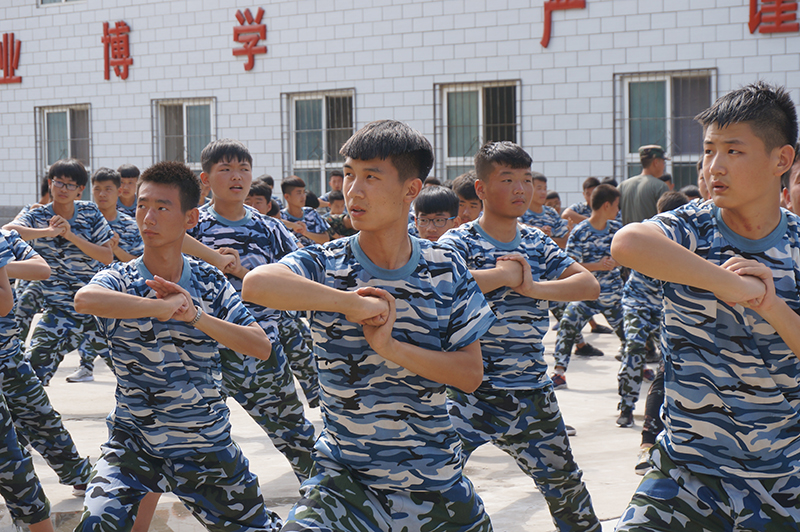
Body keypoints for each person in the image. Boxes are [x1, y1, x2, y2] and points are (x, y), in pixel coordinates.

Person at [242, 119, 496, 532]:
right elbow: (257, 284)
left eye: (371, 177)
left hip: (432, 479)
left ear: (411, 190)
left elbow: (470, 375)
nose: (353, 190)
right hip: (345, 482)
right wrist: (350, 304)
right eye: (349, 174)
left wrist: (391, 348)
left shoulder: (445, 268)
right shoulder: (327, 262)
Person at [612, 82, 800, 531]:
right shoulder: (691, 228)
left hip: (781, 474)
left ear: (781, 160)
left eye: (733, 151)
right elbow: (627, 243)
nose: (715, 166)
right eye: (709, 150)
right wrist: (730, 284)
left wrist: (770, 305)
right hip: (686, 468)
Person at [72, 160, 283, 532]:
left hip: (205, 444)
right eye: (142, 205)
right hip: (134, 443)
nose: (148, 217)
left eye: (162, 207)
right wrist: (160, 307)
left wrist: (194, 315)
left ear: (190, 219)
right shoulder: (120, 278)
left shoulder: (208, 281)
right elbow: (85, 300)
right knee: (98, 522)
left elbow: (260, 346)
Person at [439, 141, 601, 532]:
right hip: (471, 393)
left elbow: (588, 285)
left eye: (526, 179)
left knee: (567, 489)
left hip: (531, 392)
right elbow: (438, 286)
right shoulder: (458, 243)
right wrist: (502, 277)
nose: (520, 189)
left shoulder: (536, 242)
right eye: (507, 179)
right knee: (432, 483)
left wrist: (532, 287)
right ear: (480, 189)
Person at [188, 139, 317, 481]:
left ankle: (327, 500)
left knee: (297, 437)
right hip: (203, 353)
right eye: (226, 169)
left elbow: (296, 281)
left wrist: (244, 272)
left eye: (244, 169)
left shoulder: (270, 229)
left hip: (261, 350)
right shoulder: (192, 226)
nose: (237, 176)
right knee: (190, 440)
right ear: (206, 179)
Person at [4, 159, 114, 386]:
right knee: (30, 374)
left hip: (96, 307)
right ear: (50, 183)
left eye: (70, 185)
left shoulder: (90, 212)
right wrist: (48, 231)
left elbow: (106, 256)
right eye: (58, 183)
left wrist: (70, 235)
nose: (63, 189)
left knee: (131, 369)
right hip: (59, 309)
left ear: (80, 190)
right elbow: (7, 231)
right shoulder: (36, 214)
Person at [616, 191, 689, 429]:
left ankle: (670, 412)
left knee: (672, 356)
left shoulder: (687, 235)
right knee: (634, 347)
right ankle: (626, 406)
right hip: (637, 300)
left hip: (664, 304)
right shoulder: (645, 231)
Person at [65, 167, 145, 383]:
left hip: (118, 291)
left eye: (108, 189)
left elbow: (138, 261)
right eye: (97, 189)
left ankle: (133, 376)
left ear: (118, 191)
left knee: (117, 338)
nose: (101, 194)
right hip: (81, 289)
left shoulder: (130, 224)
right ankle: (87, 366)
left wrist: (116, 249)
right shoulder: (81, 219)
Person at [0, 233, 56, 532]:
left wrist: (4, 265)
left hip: (8, 355)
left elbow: (4, 303)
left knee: (12, 463)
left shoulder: (5, 238)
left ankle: (78, 475)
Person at [552, 184, 625, 389]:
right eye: (616, 205)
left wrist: (616, 262)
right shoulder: (580, 232)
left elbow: (628, 257)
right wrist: (598, 266)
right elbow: (570, 265)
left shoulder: (617, 231)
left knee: (632, 336)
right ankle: (559, 373)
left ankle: (638, 368)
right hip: (585, 296)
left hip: (613, 296)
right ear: (606, 205)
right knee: (567, 326)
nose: (618, 210)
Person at [618, 145, 670, 225]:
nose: (664, 166)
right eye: (663, 162)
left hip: (627, 232)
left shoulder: (623, 186)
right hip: (650, 232)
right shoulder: (660, 186)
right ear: (656, 162)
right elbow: (667, 219)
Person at [519, 172, 570, 248]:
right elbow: (516, 229)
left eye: (545, 188)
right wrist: (538, 231)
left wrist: (545, 238)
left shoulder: (551, 212)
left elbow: (565, 242)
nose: (543, 192)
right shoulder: (520, 212)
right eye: (539, 188)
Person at [280, 176, 330, 246]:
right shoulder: (281, 216)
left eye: (304, 192)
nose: (303, 196)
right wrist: (293, 225)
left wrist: (305, 233)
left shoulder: (311, 213)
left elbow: (326, 238)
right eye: (299, 193)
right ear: (287, 197)